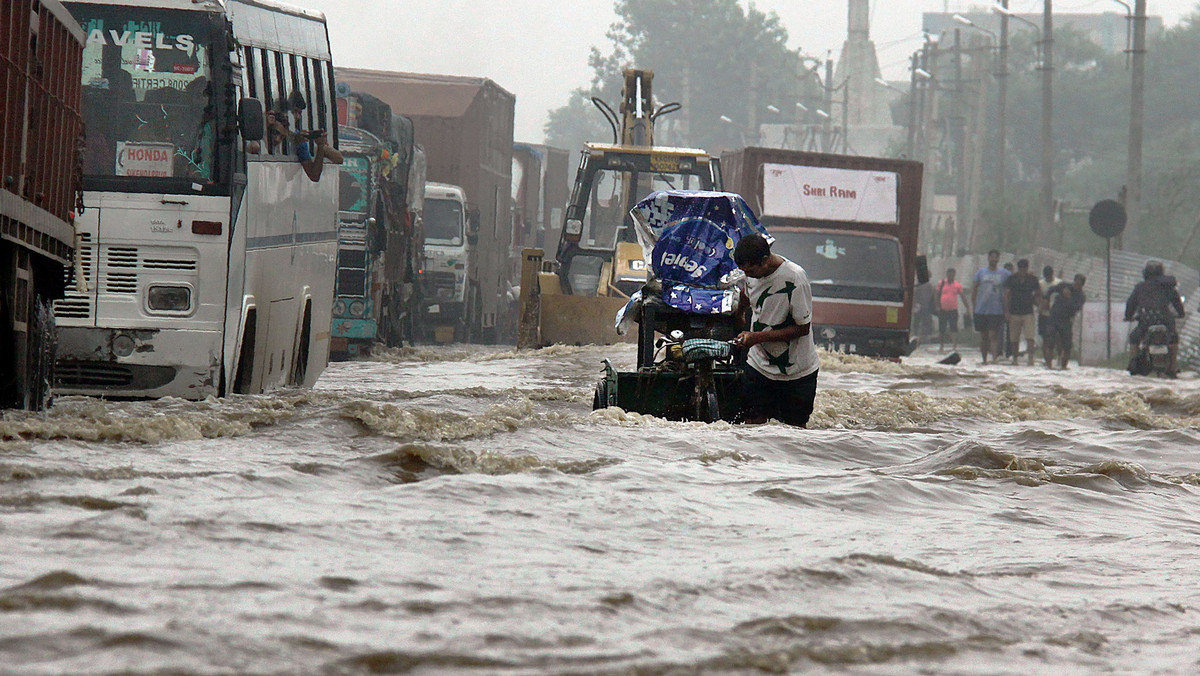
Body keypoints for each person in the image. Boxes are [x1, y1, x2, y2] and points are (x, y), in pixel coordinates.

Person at [731, 234, 819, 427]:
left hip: (797, 371)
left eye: (751, 270)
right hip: (759, 365)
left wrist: (757, 337)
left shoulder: (794, 278)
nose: (748, 274)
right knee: (752, 426)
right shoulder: (750, 275)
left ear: (765, 260)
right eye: (744, 271)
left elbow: (803, 328)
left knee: (794, 430)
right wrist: (740, 314)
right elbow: (747, 292)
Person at [1125, 260, 1186, 377]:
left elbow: (1131, 304)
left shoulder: (1140, 287)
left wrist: (1128, 316)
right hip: (1166, 321)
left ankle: (1134, 365)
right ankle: (1172, 367)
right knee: (1173, 340)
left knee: (1134, 339)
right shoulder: (1169, 286)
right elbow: (1177, 304)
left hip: (1145, 322)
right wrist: (1181, 314)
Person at [972, 250, 1010, 364]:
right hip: (981, 309)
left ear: (998, 259)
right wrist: (974, 305)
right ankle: (984, 359)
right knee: (984, 336)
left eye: (996, 258)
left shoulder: (1004, 273)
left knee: (993, 334)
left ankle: (994, 358)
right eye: (992, 257)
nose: (994, 259)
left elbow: (1013, 282)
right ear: (988, 258)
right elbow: (974, 289)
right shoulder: (980, 273)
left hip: (997, 309)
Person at [1043, 274, 1086, 369]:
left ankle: (1063, 366)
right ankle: (1048, 366)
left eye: (1079, 284)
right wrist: (1046, 299)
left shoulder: (1081, 296)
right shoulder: (1064, 286)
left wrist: (1069, 297)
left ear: (1082, 285)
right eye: (1076, 283)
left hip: (1066, 320)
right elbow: (1051, 289)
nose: (1076, 286)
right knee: (1050, 342)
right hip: (1054, 317)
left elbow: (1075, 309)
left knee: (1067, 346)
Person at [1003, 258, 1042, 365]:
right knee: (1014, 338)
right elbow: (1006, 295)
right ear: (1018, 268)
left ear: (1027, 268)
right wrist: (1006, 311)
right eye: (1021, 268)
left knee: (1030, 337)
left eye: (1024, 268)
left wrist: (1036, 301)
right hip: (1014, 312)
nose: (1022, 271)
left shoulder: (1033, 279)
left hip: (1028, 312)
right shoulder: (1011, 279)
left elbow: (1039, 292)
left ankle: (1030, 358)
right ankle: (1015, 359)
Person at [936, 268, 968, 352]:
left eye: (953, 274)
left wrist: (967, 307)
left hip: (953, 309)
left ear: (954, 275)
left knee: (954, 328)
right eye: (949, 274)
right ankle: (941, 346)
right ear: (947, 274)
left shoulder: (957, 285)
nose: (951, 276)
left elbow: (962, 296)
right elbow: (937, 295)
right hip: (943, 309)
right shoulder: (941, 283)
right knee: (942, 329)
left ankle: (954, 346)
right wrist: (937, 306)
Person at [1037, 265, 1062, 354]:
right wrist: (1041, 304)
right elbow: (1037, 296)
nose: (1048, 278)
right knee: (1045, 337)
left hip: (1056, 315)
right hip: (1044, 313)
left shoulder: (1059, 283)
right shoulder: (1041, 284)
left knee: (1058, 337)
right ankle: (1046, 357)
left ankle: (1059, 356)